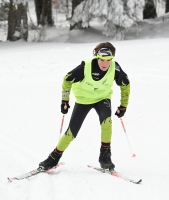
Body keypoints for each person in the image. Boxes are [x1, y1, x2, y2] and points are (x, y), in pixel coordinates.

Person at [39, 42, 130, 171]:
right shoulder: (85, 67)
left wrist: (123, 106)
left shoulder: (115, 68)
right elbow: (67, 79)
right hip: (83, 100)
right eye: (102, 60)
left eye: (108, 60)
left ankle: (105, 157)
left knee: (107, 123)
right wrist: (65, 100)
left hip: (102, 98)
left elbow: (125, 84)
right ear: (97, 57)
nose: (105, 64)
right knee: (72, 132)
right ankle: (53, 158)